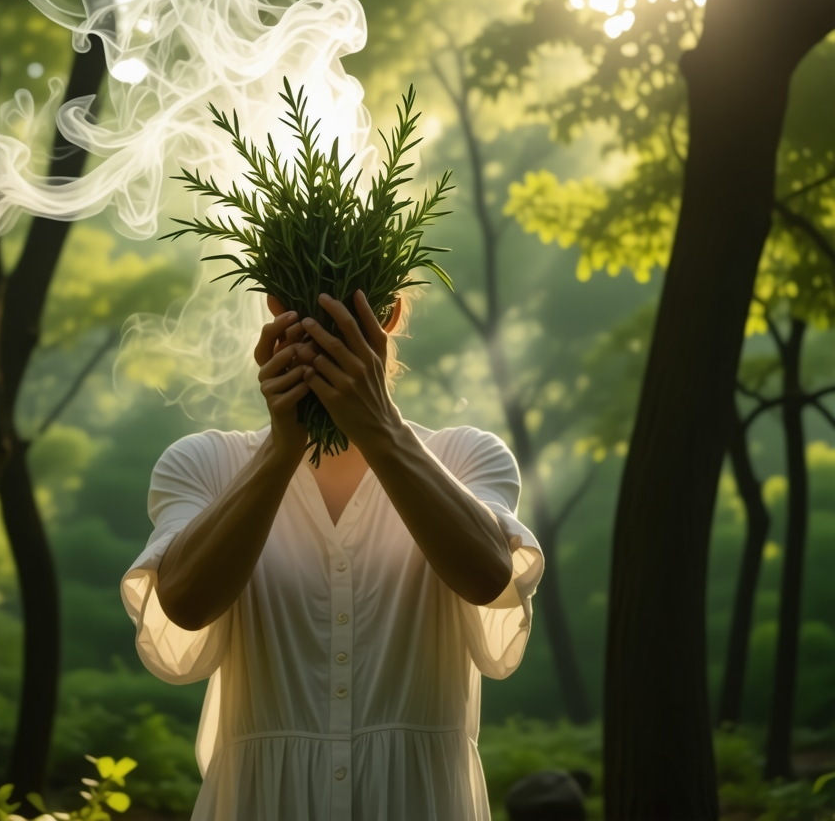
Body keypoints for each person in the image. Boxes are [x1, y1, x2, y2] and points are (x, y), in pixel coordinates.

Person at [122, 288, 545, 821]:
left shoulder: (465, 457)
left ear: (387, 316)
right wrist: (281, 450)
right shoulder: (205, 464)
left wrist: (381, 429)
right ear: (278, 313)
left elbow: (490, 576)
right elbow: (181, 602)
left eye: (348, 317)